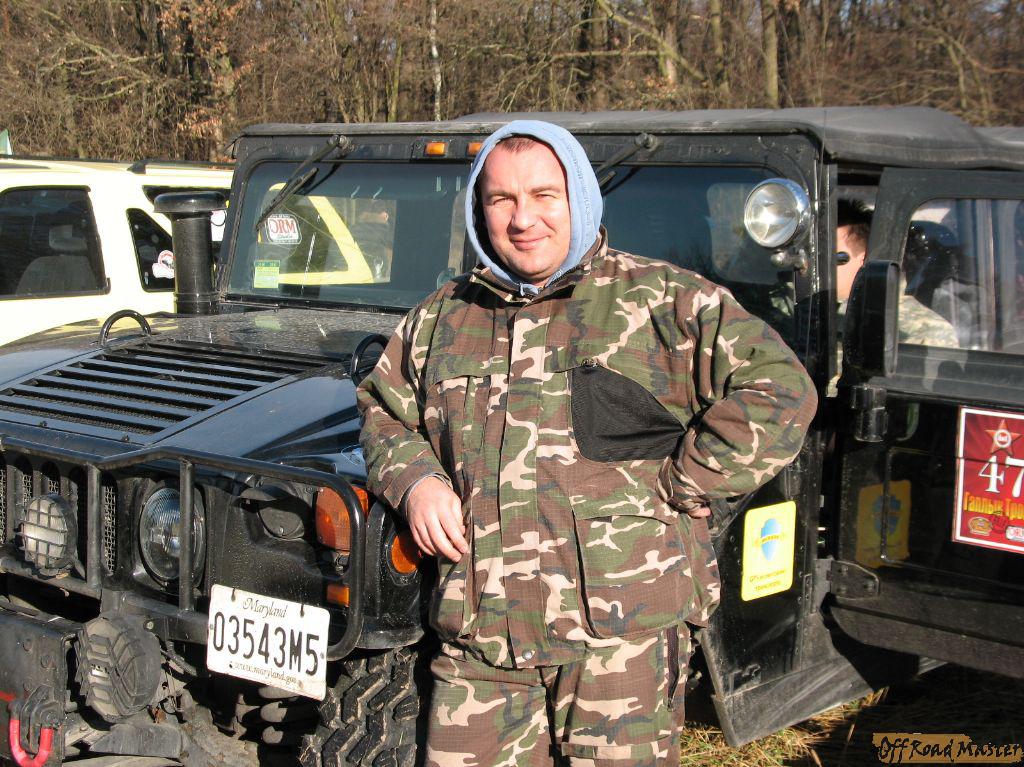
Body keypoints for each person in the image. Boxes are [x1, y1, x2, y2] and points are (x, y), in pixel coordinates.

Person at [357, 121, 817, 767]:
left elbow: (781, 390)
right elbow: (384, 412)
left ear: (579, 196)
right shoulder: (442, 317)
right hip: (482, 639)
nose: (523, 219)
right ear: (479, 209)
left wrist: (682, 481)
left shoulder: (664, 300)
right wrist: (417, 482)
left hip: (621, 641)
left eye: (544, 195)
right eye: (501, 199)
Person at [836, 200, 958, 347]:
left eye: (833, 257)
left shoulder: (921, 328)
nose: (817, 263)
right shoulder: (821, 312)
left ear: (864, 260)